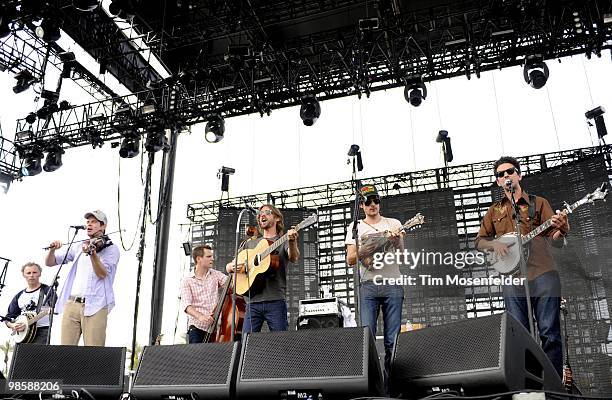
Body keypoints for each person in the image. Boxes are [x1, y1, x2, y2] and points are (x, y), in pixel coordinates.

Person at [476, 156, 569, 377]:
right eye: (501, 174)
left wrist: (562, 229)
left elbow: (555, 239)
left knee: (549, 333)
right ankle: (530, 387)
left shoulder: (539, 203)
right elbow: (479, 241)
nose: (506, 176)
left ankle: (554, 387)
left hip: (543, 272)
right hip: (512, 278)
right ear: (498, 181)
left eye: (510, 172)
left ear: (519, 175)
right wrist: (495, 243)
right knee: (521, 335)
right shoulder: (494, 211)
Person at [345, 184, 405, 386]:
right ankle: (371, 387)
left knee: (392, 340)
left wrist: (396, 241)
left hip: (392, 283)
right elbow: (351, 259)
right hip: (368, 285)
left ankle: (392, 387)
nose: (372, 204)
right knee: (367, 340)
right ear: (361, 205)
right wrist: (371, 246)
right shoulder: (355, 228)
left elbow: (403, 256)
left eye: (376, 200)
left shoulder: (394, 223)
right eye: (368, 201)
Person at [45, 210, 120, 346]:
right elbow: (50, 262)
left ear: (103, 226)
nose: (89, 225)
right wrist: (52, 250)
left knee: (93, 352)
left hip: (96, 304)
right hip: (72, 303)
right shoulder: (80, 246)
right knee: (65, 351)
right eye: (88, 222)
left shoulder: (111, 248)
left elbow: (102, 273)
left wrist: (93, 254)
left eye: (94, 222)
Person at [226, 204, 299, 333]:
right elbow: (233, 264)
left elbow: (293, 258)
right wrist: (230, 267)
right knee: (246, 344)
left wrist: (292, 242)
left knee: (280, 342)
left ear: (277, 218)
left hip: (275, 300)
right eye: (260, 214)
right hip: (252, 302)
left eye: (267, 212)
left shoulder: (283, 240)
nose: (262, 215)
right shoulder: (250, 243)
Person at [180, 245, 228, 343]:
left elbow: (231, 283)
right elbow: (186, 306)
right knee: (196, 357)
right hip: (197, 328)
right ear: (198, 259)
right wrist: (200, 317)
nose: (213, 259)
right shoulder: (187, 280)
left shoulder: (215, 274)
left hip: (215, 329)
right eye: (209, 256)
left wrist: (233, 269)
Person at [5, 262, 54, 344]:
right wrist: (13, 325)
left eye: (34, 272)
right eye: (28, 273)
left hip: (42, 331)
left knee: (38, 356)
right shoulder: (19, 295)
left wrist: (51, 309)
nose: (31, 275)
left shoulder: (48, 291)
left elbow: (56, 307)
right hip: (22, 334)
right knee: (21, 357)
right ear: (24, 275)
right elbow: (8, 317)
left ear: (39, 274)